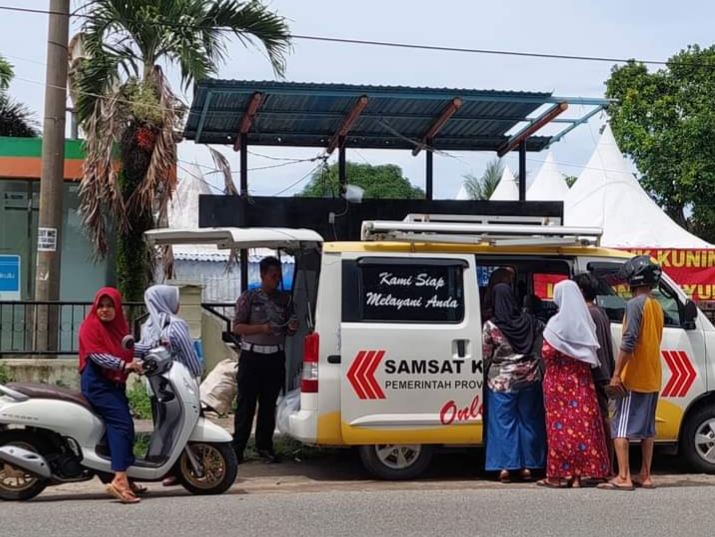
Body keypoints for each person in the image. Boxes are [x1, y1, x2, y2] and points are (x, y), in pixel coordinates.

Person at [599, 256, 664, 491]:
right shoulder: (656, 306)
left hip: (634, 377)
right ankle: (645, 475)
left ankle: (624, 476)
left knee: (620, 428)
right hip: (653, 376)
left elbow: (629, 341)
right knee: (647, 430)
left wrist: (617, 373)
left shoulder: (635, 305)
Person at [539, 280, 610, 488]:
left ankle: (557, 476)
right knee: (582, 428)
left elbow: (546, 352)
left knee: (559, 429)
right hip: (581, 385)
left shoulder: (555, 324)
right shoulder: (586, 323)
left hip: (558, 385)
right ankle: (578, 475)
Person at [79, 288, 144, 504]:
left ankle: (124, 475)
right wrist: (125, 365)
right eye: (101, 306)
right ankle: (119, 479)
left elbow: (130, 346)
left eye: (110, 306)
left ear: (118, 308)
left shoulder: (119, 328)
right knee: (122, 425)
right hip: (99, 385)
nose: (105, 310)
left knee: (124, 429)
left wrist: (158, 349)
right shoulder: (90, 327)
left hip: (114, 384)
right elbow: (98, 356)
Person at [232, 256, 299, 463]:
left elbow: (288, 330)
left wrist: (291, 328)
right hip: (252, 356)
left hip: (274, 357)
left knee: (269, 404)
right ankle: (238, 449)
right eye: (273, 276)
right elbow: (237, 327)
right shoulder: (249, 297)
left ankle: (265, 446)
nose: (277, 280)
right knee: (246, 404)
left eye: (279, 276)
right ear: (262, 275)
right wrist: (261, 328)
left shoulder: (285, 300)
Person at [137, 284, 202, 487]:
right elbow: (189, 356)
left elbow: (142, 352)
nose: (179, 303)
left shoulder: (147, 325)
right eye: (175, 299)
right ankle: (183, 469)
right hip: (179, 386)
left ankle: (167, 468)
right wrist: (197, 375)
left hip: (156, 386)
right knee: (187, 427)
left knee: (164, 426)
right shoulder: (175, 324)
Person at [482, 277, 546, 483]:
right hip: (530, 378)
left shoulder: (491, 326)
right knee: (529, 420)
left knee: (503, 423)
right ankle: (529, 466)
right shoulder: (531, 322)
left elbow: (486, 355)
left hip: (501, 382)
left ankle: (505, 467)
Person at [574, 272, 616, 474]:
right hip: (604, 369)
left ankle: (607, 465)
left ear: (580, 292)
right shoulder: (600, 312)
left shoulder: (588, 315)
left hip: (596, 371)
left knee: (602, 417)